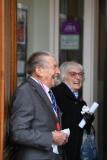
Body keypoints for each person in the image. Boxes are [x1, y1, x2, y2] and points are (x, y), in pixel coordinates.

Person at [9, 51, 69, 160]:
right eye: (54, 67)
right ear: (39, 70)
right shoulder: (25, 92)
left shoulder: (46, 91)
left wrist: (59, 137)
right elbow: (18, 133)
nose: (58, 71)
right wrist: (51, 137)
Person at [52, 61, 95, 160]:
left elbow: (82, 127)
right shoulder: (55, 94)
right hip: (60, 151)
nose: (78, 77)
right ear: (63, 76)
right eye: (73, 74)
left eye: (80, 74)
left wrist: (89, 118)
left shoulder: (79, 100)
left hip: (75, 150)